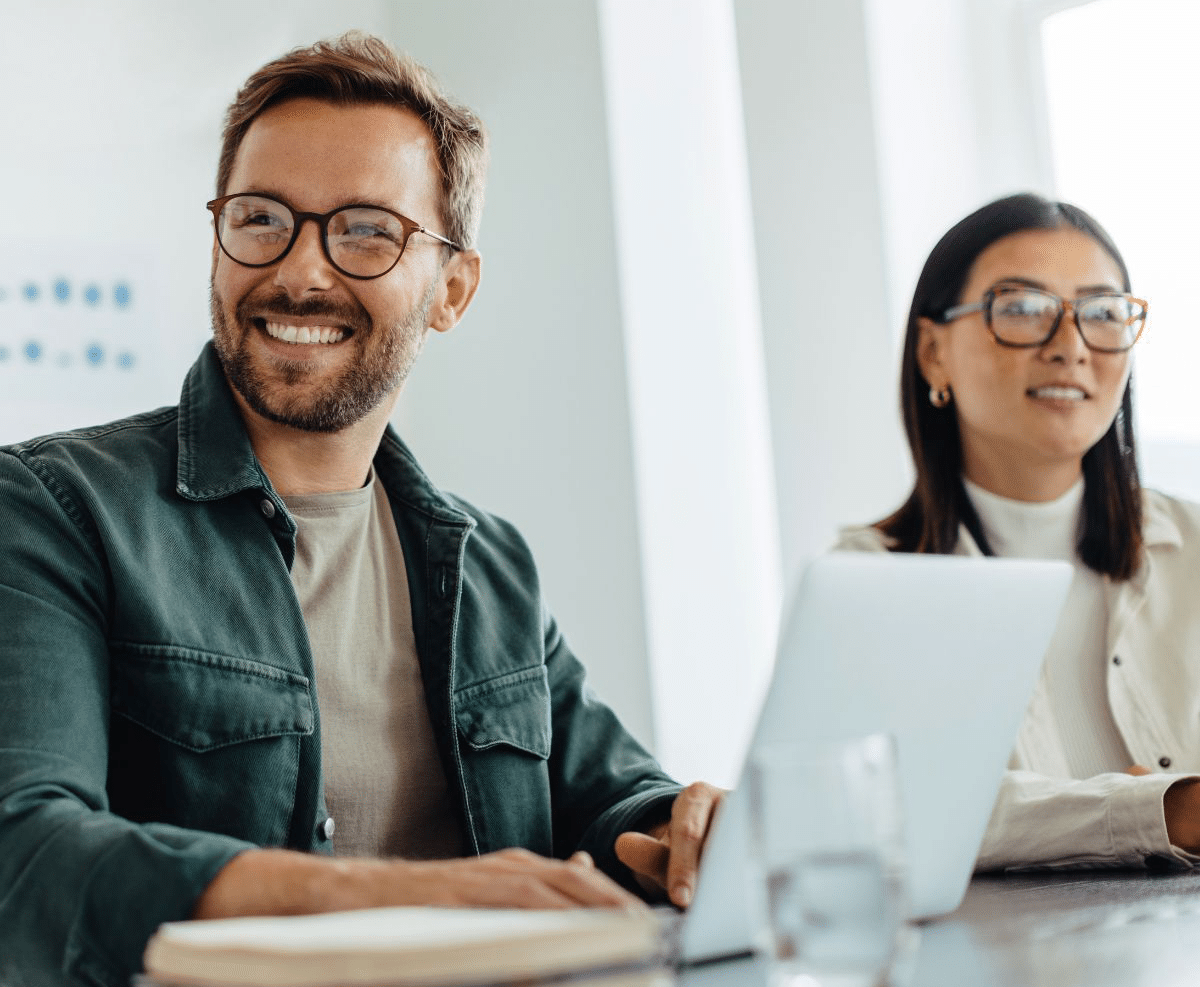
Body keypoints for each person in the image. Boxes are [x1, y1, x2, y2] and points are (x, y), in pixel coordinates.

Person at [0, 33, 722, 987]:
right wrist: (407, 896)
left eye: (367, 231)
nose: (301, 271)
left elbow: (609, 796)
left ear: (451, 289)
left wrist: (682, 828)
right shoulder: (54, 508)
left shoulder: (487, 561)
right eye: (262, 219)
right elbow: (26, 856)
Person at [837, 191, 1200, 871]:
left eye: (1102, 312)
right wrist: (1164, 808)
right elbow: (893, 810)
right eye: (1024, 309)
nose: (1070, 346)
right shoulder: (866, 581)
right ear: (933, 351)